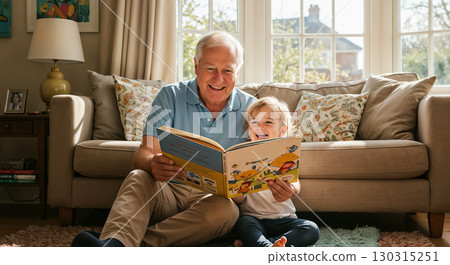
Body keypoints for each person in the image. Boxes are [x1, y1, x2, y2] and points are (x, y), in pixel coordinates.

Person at [71, 31, 256, 247]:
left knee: (227, 211)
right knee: (138, 176)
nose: (219, 78)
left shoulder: (252, 108)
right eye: (210, 69)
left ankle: (120, 248)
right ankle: (116, 243)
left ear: (238, 72)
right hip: (167, 190)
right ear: (196, 66)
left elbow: (252, 175)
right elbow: (144, 153)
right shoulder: (169, 95)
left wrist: (241, 188)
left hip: (211, 201)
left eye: (227, 71)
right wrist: (152, 163)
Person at [232, 96, 320, 247]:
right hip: (254, 219)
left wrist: (291, 189)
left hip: (285, 219)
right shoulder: (243, 156)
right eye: (254, 122)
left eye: (268, 122)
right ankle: (266, 246)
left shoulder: (286, 155)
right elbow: (239, 199)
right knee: (243, 224)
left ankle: (265, 245)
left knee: (311, 229)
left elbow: (295, 182)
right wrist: (235, 189)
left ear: (282, 131)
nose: (259, 127)